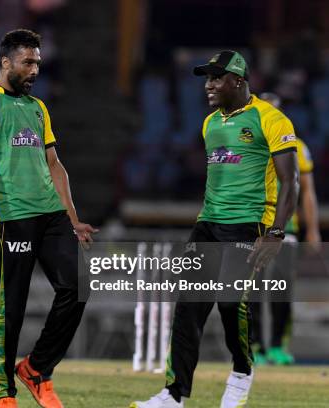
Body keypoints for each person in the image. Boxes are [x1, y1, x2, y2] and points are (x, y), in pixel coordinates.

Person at [131, 51, 298, 408]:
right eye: (206, 78)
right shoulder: (211, 124)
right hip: (207, 224)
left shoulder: (271, 119)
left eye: (216, 78)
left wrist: (276, 233)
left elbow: (291, 182)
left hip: (248, 224)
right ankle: (173, 395)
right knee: (188, 307)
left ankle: (241, 373)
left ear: (237, 80)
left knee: (229, 302)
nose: (208, 85)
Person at [0, 29, 97, 408]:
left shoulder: (38, 108)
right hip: (10, 215)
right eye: (28, 62)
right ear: (5, 62)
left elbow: (54, 165)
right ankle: (0, 391)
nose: (35, 69)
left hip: (50, 213)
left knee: (77, 286)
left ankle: (37, 368)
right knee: (12, 304)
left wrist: (72, 217)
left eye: (38, 61)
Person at [250, 92, 320, 366]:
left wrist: (312, 230)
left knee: (281, 290)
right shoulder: (248, 144)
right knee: (251, 289)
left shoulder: (297, 146)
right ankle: (255, 346)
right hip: (253, 226)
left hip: (285, 228)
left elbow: (308, 192)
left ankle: (278, 346)